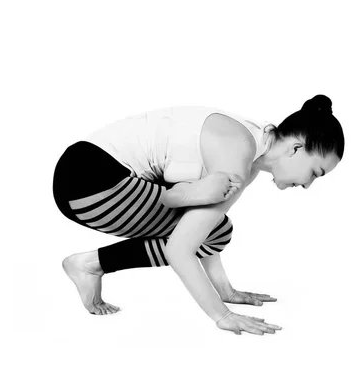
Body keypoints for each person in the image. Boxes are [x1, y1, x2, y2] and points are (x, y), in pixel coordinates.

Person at [52, 94, 345, 335]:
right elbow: (181, 249)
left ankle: (90, 264)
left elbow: (206, 225)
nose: (307, 185)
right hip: (91, 185)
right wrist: (222, 315)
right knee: (205, 234)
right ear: (296, 148)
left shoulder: (252, 146)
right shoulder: (239, 155)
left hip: (82, 175)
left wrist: (225, 291)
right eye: (314, 173)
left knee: (215, 229)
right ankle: (88, 265)